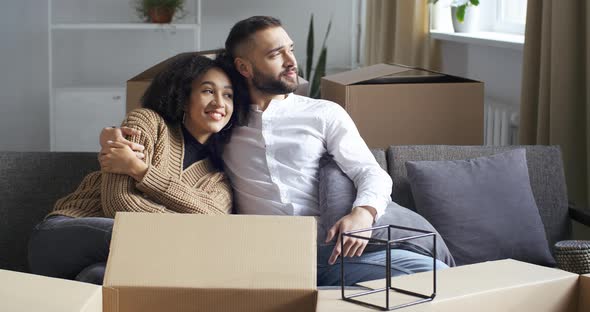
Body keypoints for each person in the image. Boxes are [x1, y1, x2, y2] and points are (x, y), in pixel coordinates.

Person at [100, 16, 448, 286]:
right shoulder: (224, 117)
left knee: (429, 271)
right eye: (274, 54)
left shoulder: (323, 113)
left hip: (326, 250)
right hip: (257, 253)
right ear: (244, 67)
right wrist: (114, 138)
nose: (290, 60)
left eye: (290, 49)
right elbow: (174, 115)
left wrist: (364, 213)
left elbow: (369, 171)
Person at [28, 54, 247, 285]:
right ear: (183, 97)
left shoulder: (219, 178)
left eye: (228, 95)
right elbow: (119, 203)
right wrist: (187, 226)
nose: (220, 103)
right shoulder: (147, 123)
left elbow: (216, 223)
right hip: (64, 237)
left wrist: (141, 170)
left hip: (123, 256)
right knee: (130, 235)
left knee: (99, 276)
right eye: (208, 91)